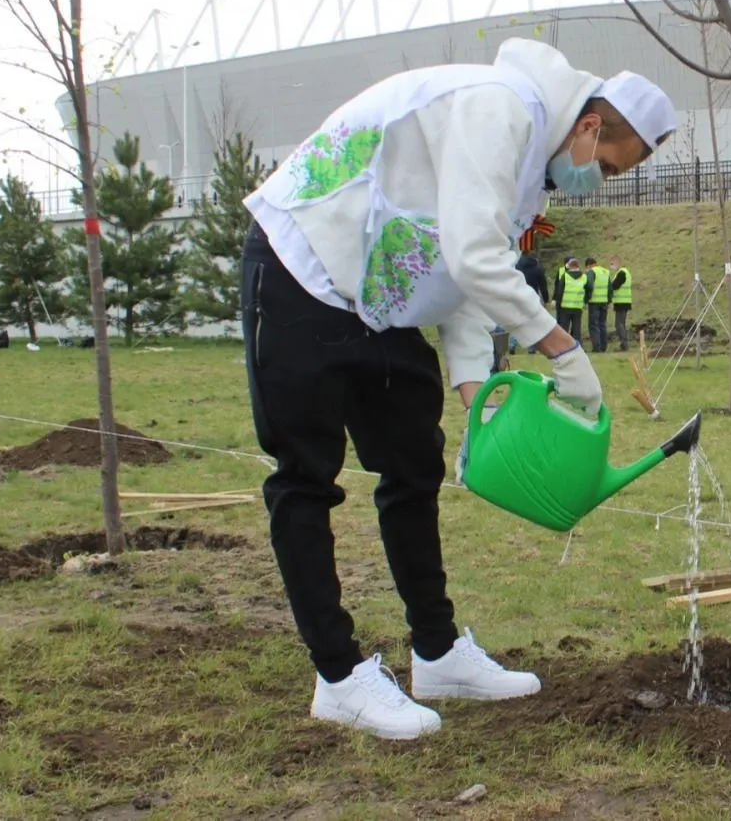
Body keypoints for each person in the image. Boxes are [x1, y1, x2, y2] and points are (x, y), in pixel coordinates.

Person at [239, 38, 676, 738]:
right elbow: (474, 256)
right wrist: (560, 348)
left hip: (378, 298)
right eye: (611, 165)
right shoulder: (501, 109)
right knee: (305, 476)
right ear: (592, 125)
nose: (604, 178)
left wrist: (475, 384)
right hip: (303, 264)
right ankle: (339, 675)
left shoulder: (533, 160)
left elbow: (473, 263)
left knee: (413, 464)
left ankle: (437, 652)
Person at [554, 257, 587, 341]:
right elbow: (589, 288)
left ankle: (564, 345)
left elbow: (560, 291)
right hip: (578, 306)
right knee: (576, 328)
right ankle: (577, 345)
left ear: (570, 266)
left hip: (565, 306)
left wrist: (558, 305)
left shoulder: (565, 276)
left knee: (564, 328)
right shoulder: (584, 276)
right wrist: (585, 300)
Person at [584, 257, 610, 353]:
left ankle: (596, 347)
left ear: (589, 265)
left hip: (594, 302)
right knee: (602, 324)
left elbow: (589, 285)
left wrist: (587, 298)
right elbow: (610, 288)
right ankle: (604, 346)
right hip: (604, 301)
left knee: (593, 325)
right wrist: (608, 300)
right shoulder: (605, 272)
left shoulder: (592, 272)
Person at [608, 255, 634, 352]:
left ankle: (624, 344)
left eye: (612, 264)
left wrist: (609, 287)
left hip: (621, 302)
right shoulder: (625, 272)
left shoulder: (622, 273)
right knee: (620, 323)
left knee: (619, 324)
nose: (611, 266)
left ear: (618, 263)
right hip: (624, 301)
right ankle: (623, 344)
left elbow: (615, 286)